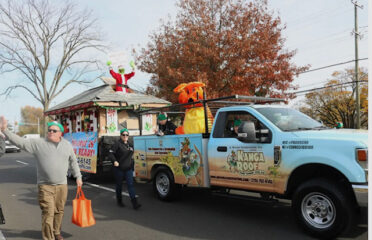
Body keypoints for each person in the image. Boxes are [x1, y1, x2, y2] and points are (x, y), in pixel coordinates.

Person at [0, 116, 82, 240]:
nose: (50, 132)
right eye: (49, 130)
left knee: (59, 211)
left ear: (60, 133)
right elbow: (20, 142)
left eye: (54, 131)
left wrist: (78, 177)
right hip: (45, 186)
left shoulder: (67, 145)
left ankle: (56, 231)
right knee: (48, 212)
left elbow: (73, 161)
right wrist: (5, 130)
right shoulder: (39, 144)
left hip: (62, 185)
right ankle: (48, 237)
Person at [109, 128, 141, 209]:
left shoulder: (130, 145)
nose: (125, 136)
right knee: (119, 185)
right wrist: (114, 161)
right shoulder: (117, 144)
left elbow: (133, 154)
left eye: (127, 135)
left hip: (128, 169)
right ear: (120, 135)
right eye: (123, 135)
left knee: (130, 185)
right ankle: (119, 201)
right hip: (119, 169)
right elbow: (110, 154)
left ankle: (135, 204)